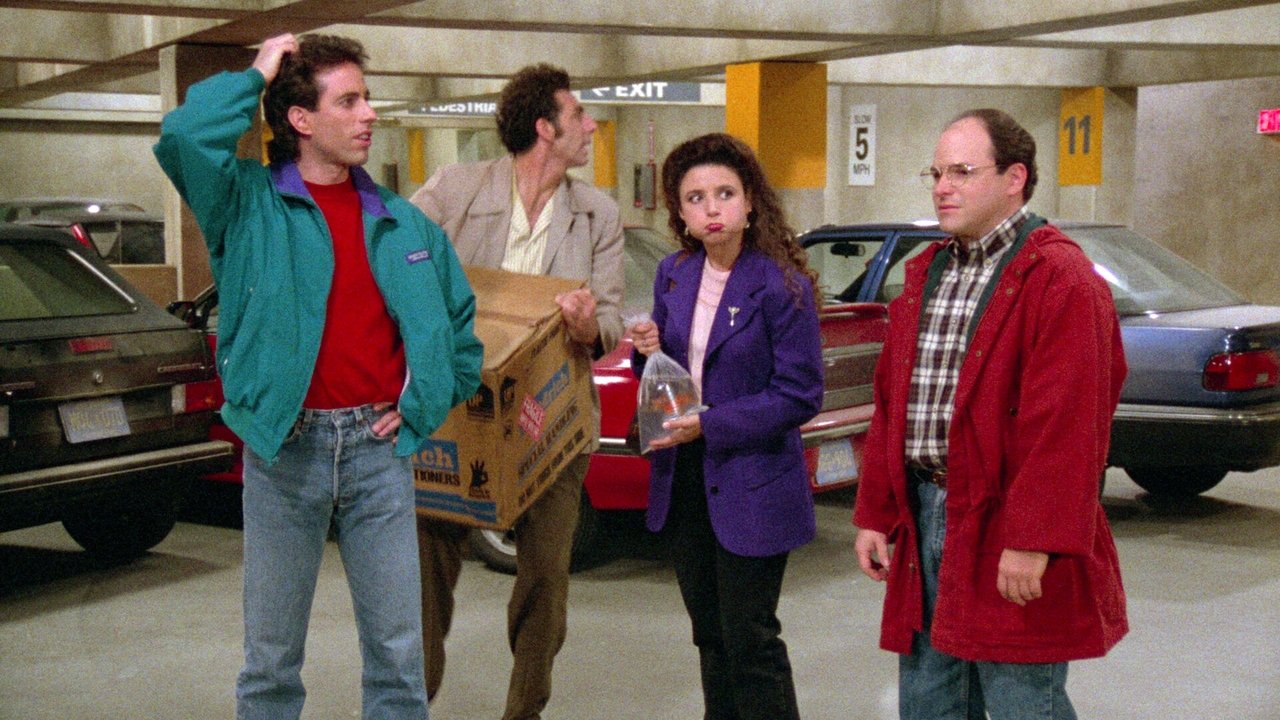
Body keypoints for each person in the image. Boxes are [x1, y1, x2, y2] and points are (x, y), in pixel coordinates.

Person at [153, 33, 483, 720]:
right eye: (350, 101)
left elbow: (459, 333)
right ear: (301, 119)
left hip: (377, 455)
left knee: (398, 660)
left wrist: (422, 404)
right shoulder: (243, 204)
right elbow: (184, 135)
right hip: (285, 450)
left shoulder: (405, 224)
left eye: (368, 98)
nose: (370, 114)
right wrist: (257, 73)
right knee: (271, 663)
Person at [852, 109, 1128, 720]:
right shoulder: (929, 271)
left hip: (1004, 523)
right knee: (931, 697)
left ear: (1014, 178)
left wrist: (1033, 540)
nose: (942, 187)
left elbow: (1067, 426)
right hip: (926, 511)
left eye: (962, 171)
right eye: (936, 173)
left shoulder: (1060, 278)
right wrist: (877, 511)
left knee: (1020, 698)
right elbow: (893, 403)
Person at [408, 63, 623, 720]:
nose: (591, 125)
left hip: (550, 417)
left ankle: (525, 709)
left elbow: (612, 319)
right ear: (544, 128)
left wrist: (590, 325)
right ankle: (411, 699)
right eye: (578, 114)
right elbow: (393, 252)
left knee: (546, 579)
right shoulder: (456, 189)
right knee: (425, 573)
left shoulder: (597, 214)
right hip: (456, 413)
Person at [628, 132, 823, 720]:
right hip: (685, 477)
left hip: (752, 481)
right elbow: (666, 372)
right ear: (681, 213)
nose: (711, 208)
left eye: (724, 194)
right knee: (709, 637)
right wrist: (645, 350)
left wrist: (710, 424)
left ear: (750, 202)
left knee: (750, 640)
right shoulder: (673, 273)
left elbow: (799, 393)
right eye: (695, 198)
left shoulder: (781, 285)